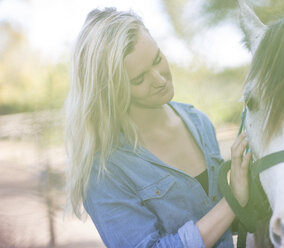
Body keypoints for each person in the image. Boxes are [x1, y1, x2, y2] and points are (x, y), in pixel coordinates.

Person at [65, 7, 251, 248]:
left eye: (157, 59)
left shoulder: (199, 122)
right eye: (139, 79)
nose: (160, 80)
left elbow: (219, 226)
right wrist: (233, 201)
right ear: (111, 91)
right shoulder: (104, 170)